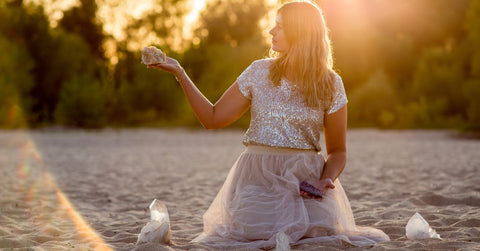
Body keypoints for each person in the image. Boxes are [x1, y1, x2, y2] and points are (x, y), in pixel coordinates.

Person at [147, 1, 390, 249]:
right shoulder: (258, 72)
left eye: (279, 27)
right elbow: (212, 118)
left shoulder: (331, 83)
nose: (271, 32)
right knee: (253, 235)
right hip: (257, 180)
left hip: (304, 185)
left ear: (300, 33)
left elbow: (338, 151)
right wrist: (180, 73)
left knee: (316, 234)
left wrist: (324, 180)